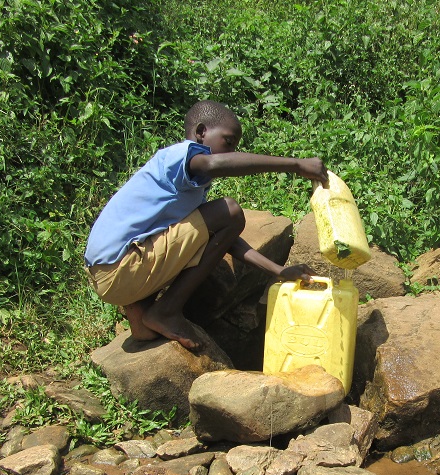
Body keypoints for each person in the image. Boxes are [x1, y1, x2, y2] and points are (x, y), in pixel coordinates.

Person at [84, 100, 328, 350]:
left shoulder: (187, 188)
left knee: (146, 332)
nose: (232, 152)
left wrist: (278, 271)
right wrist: (296, 164)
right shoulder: (179, 155)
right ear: (201, 133)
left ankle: (143, 314)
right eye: (229, 142)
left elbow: (225, 239)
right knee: (230, 211)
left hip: (113, 276)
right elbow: (214, 169)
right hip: (121, 267)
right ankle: (166, 311)